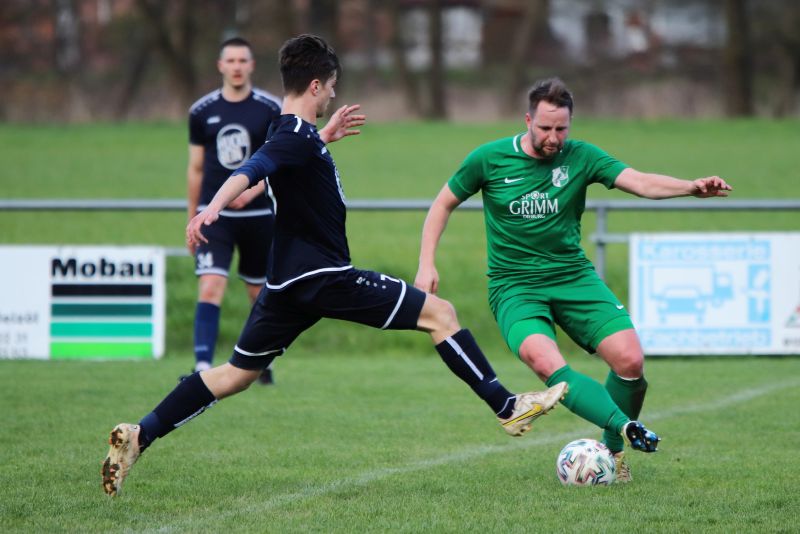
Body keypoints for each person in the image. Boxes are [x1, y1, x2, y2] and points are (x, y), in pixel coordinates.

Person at [101, 35, 568, 497]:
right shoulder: (291, 135)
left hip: (285, 285)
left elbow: (282, 162)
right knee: (440, 314)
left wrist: (324, 138)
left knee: (236, 375)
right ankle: (506, 406)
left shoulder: (291, 132)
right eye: (331, 86)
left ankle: (141, 434)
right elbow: (251, 170)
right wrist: (211, 209)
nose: (333, 94)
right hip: (323, 276)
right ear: (315, 86)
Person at [415, 77, 731, 483]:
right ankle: (625, 429)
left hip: (573, 277)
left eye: (561, 128)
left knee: (630, 361)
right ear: (527, 120)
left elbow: (638, 181)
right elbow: (442, 204)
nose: (553, 137)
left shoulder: (581, 156)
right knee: (544, 361)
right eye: (545, 128)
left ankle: (613, 453)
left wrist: (690, 187)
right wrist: (427, 263)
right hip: (515, 287)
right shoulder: (489, 159)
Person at [187, 37, 364, 385]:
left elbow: (286, 156)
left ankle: (254, 363)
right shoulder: (202, 111)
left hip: (259, 218)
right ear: (220, 66)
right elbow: (241, 167)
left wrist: (322, 137)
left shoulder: (272, 109)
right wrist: (205, 210)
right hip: (217, 217)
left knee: (260, 293)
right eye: (230, 60)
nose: (237, 66)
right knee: (210, 287)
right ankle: (202, 365)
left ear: (252, 65)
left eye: (243, 60)